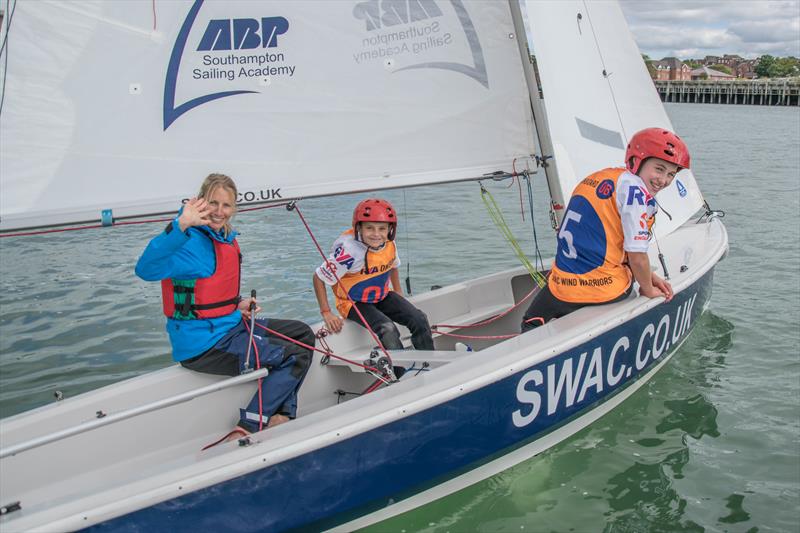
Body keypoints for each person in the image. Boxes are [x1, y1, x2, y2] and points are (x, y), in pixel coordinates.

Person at [136, 173, 314, 442]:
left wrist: (238, 303)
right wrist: (180, 225)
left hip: (229, 325)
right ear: (200, 202)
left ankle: (283, 414)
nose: (220, 212)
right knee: (293, 355)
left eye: (227, 205)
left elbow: (208, 289)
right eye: (213, 203)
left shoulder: (223, 238)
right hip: (205, 346)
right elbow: (145, 269)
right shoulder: (187, 242)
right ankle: (250, 425)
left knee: (302, 334)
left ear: (234, 208)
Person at [521, 127, 688, 332]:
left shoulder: (601, 177)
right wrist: (647, 289)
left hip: (561, 284)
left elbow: (609, 236)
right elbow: (636, 256)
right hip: (604, 288)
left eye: (671, 174)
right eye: (659, 169)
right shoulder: (636, 194)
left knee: (530, 322)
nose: (664, 180)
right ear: (637, 161)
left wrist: (650, 276)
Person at [313, 198, 434, 352]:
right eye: (369, 228)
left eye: (382, 229)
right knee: (388, 328)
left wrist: (398, 291)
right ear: (359, 228)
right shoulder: (349, 253)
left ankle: (429, 364)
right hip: (353, 303)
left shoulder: (390, 243)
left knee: (419, 319)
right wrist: (327, 313)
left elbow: (393, 266)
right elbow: (318, 278)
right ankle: (401, 373)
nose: (376, 234)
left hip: (382, 295)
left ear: (390, 229)